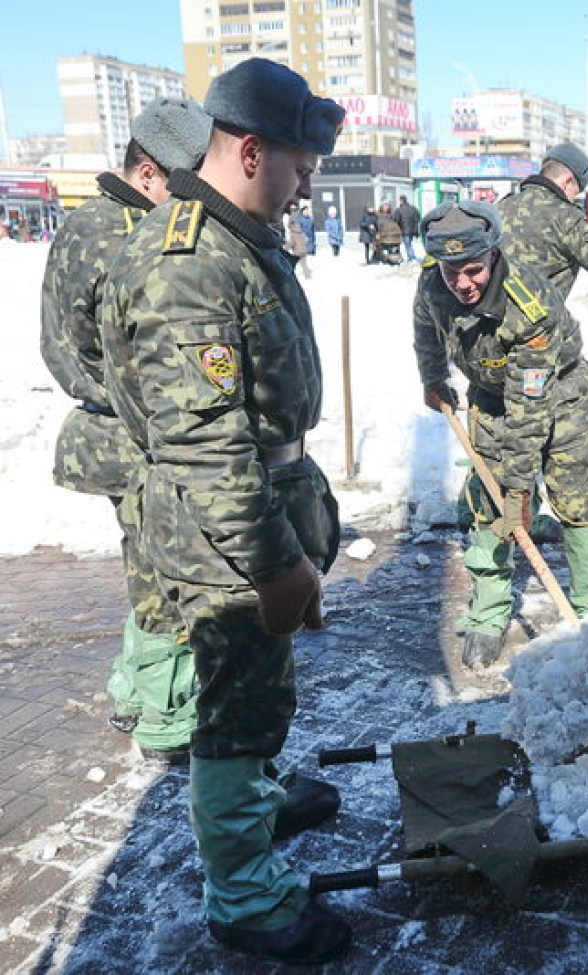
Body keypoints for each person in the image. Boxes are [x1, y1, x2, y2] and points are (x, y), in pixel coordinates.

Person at [98, 58, 351, 963]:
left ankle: (256, 796)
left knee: (257, 692)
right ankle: (246, 896)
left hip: (258, 510)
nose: (310, 178)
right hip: (226, 537)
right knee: (235, 714)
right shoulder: (188, 263)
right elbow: (209, 447)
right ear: (251, 149)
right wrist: (278, 563)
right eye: (300, 160)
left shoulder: (235, 235)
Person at [40, 97, 212, 765]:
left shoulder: (96, 221)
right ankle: (167, 721)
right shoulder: (123, 237)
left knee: (144, 564)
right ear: (147, 173)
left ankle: (136, 689)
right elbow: (142, 349)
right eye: (183, 181)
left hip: (115, 429)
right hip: (132, 433)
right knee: (167, 572)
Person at [413, 201, 588, 669]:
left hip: (559, 393)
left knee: (571, 495)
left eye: (473, 270)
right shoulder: (434, 284)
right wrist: (433, 376)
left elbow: (530, 411)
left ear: (494, 255)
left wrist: (519, 488)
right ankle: (490, 615)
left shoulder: (527, 308)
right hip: (490, 393)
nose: (462, 284)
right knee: (488, 503)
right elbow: (425, 326)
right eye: (451, 271)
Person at [497, 140, 588, 299]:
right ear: (567, 181)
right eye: (576, 191)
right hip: (534, 321)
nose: (574, 199)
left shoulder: (501, 207)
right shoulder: (563, 216)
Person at [283, 203, 311, 278]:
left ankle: (292, 276)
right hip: (303, 251)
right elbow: (306, 240)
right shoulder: (301, 233)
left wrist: (284, 248)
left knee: (292, 263)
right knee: (304, 264)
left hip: (297, 252)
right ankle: (307, 275)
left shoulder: (293, 234)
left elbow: (291, 243)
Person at [395, 194, 420, 262]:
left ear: (401, 201)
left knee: (407, 244)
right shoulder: (413, 208)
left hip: (403, 230)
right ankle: (411, 256)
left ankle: (411, 257)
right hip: (412, 230)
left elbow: (396, 220)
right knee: (408, 243)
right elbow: (417, 218)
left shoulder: (399, 210)